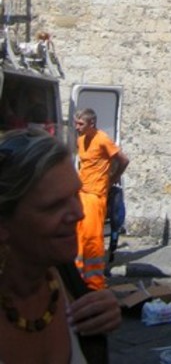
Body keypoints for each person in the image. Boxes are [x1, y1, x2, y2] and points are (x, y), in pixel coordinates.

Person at [0, 128, 122, 363]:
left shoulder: (66, 280)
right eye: (54, 206)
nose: (78, 213)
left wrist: (101, 313)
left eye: (76, 195)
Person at [74, 109, 129, 290]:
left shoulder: (102, 139)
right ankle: (78, 275)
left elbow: (123, 160)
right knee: (79, 236)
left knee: (92, 239)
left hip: (96, 195)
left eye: (80, 124)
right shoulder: (80, 140)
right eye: (76, 123)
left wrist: (112, 178)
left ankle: (95, 282)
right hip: (81, 192)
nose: (77, 127)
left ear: (92, 124)